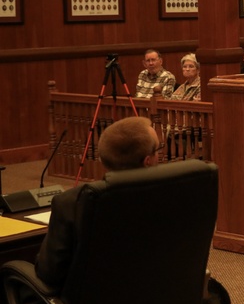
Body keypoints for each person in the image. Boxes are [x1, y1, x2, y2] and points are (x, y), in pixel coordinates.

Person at [35, 117, 161, 290]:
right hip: (160, 303)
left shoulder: (69, 203)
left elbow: (49, 273)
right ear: (148, 161)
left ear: (101, 160)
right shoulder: (171, 194)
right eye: (158, 149)